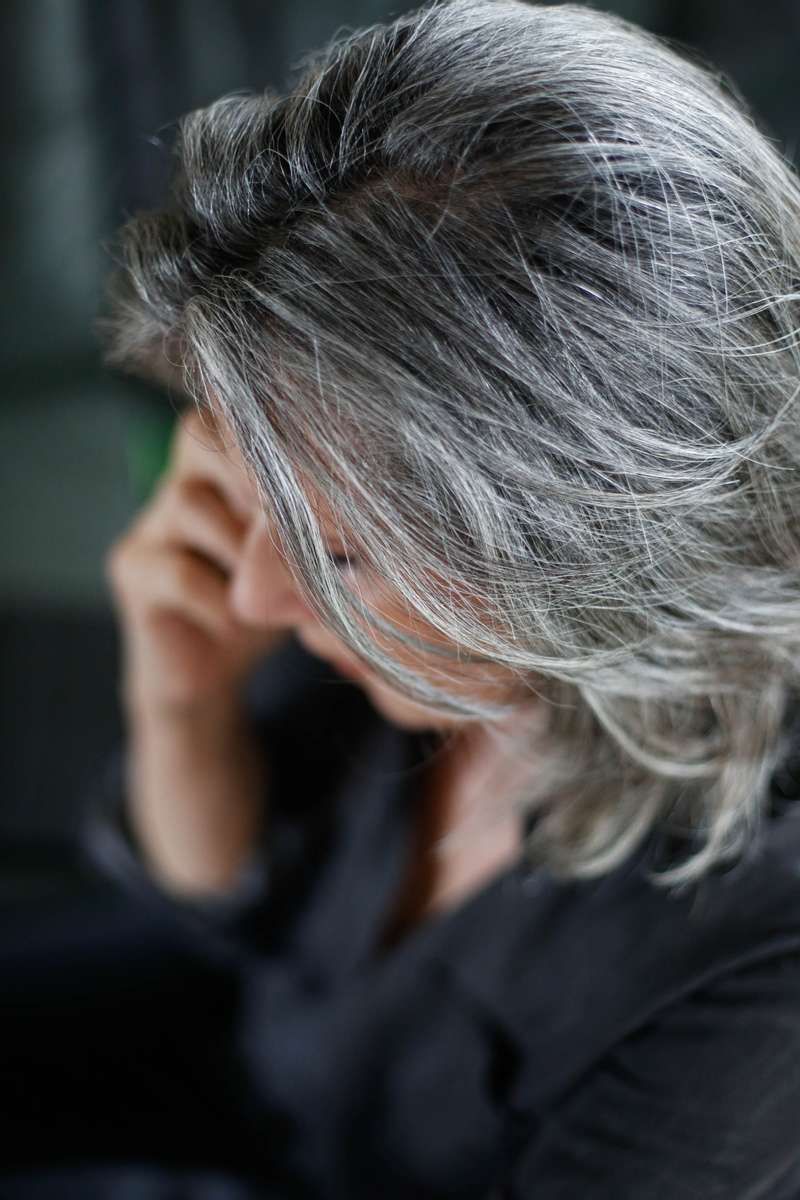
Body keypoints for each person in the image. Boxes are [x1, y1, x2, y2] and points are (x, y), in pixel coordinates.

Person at [11, 0, 800, 1194]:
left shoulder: (757, 979)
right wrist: (181, 706)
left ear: (595, 552)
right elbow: (230, 924)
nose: (255, 593)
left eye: (335, 555)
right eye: (249, 495)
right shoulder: (372, 538)